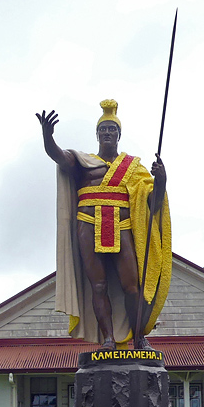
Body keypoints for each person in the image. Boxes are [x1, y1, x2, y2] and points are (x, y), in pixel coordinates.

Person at [36, 99, 171, 350]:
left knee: (132, 286)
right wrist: (47, 138)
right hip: (89, 225)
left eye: (112, 129)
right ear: (97, 134)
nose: (107, 133)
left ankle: (138, 337)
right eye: (103, 129)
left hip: (122, 227)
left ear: (119, 135)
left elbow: (153, 205)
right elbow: (60, 157)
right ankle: (108, 338)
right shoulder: (84, 162)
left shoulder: (134, 167)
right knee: (98, 285)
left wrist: (161, 180)